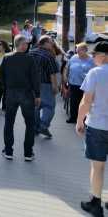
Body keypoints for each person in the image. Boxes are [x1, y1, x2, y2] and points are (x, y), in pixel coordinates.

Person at [76, 41, 108, 217]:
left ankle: (96, 203)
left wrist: (79, 121)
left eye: (95, 55)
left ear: (104, 56)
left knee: (98, 167)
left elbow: (86, 101)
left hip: (97, 126)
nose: (93, 57)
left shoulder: (95, 73)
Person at [0, 34, 40, 161]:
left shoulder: (6, 58)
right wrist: (37, 95)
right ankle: (28, 153)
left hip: (11, 94)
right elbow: (35, 79)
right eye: (26, 43)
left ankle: (8, 151)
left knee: (9, 123)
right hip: (26, 94)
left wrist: (6, 89)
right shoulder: (30, 59)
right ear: (21, 45)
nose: (27, 45)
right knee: (30, 124)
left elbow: (1, 77)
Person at [29, 35, 59, 139]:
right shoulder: (49, 56)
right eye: (51, 42)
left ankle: (35, 127)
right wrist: (55, 87)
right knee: (49, 107)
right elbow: (52, 73)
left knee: (35, 106)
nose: (53, 44)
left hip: (32, 84)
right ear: (45, 43)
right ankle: (43, 125)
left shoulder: (31, 52)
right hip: (46, 85)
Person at [64, 42, 95, 123]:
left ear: (85, 50)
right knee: (73, 101)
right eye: (77, 51)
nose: (77, 53)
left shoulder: (91, 60)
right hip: (73, 83)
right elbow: (68, 67)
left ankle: (83, 119)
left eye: (79, 51)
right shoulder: (74, 57)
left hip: (86, 85)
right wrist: (66, 78)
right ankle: (73, 117)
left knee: (84, 102)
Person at [0, 40, 11, 112]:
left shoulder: (9, 54)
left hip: (6, 77)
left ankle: (4, 107)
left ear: (4, 46)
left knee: (6, 93)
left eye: (0, 44)